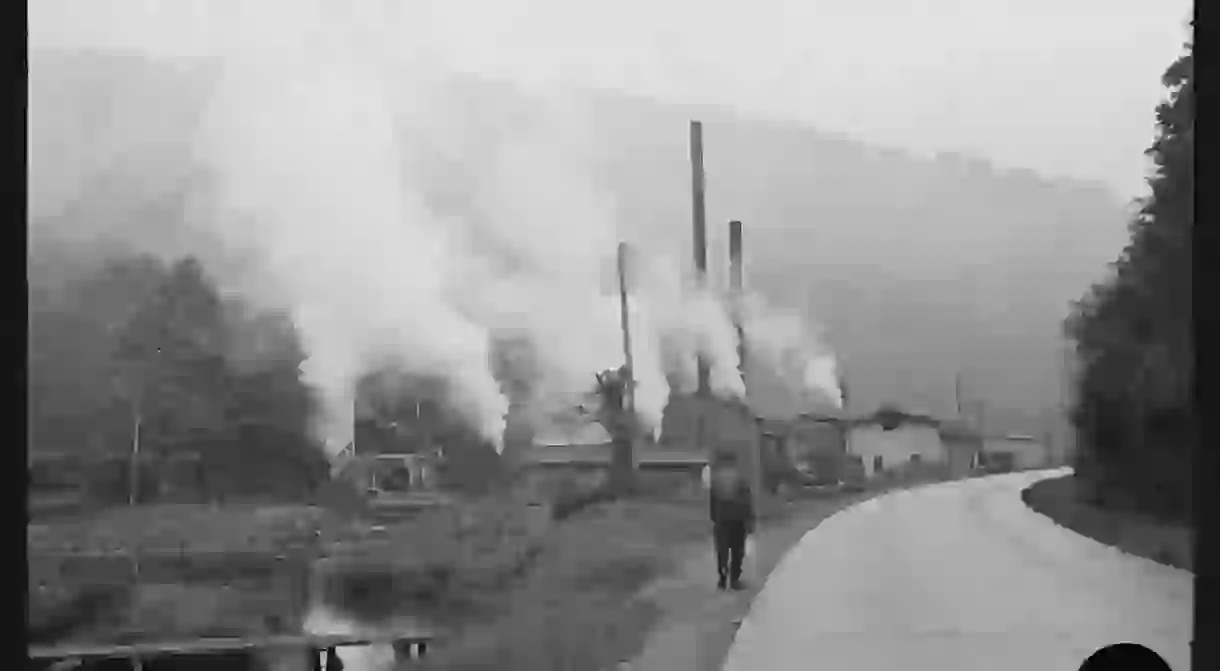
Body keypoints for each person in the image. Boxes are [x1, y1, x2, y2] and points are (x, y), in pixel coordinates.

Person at [709, 454, 754, 591]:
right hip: (738, 519)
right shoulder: (741, 479)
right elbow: (747, 501)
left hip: (721, 519)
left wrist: (714, 517)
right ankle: (734, 580)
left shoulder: (715, 479)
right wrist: (750, 520)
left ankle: (722, 580)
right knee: (737, 550)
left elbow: (712, 501)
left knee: (722, 550)